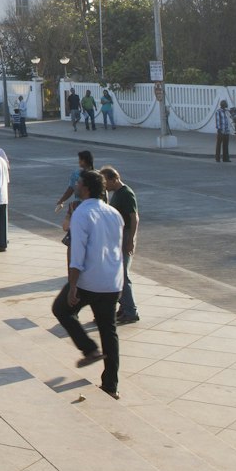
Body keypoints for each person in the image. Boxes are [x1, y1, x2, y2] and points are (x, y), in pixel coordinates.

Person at [52, 169, 124, 399]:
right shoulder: (113, 213)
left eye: (79, 183)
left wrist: (73, 286)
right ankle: (110, 385)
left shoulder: (83, 213)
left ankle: (90, 349)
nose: (75, 186)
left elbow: (77, 252)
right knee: (108, 330)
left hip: (88, 280)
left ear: (86, 188)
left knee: (62, 309)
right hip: (112, 281)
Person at [101, 165, 140, 324]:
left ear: (114, 179)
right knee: (117, 274)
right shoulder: (116, 194)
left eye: (106, 183)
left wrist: (130, 240)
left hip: (126, 236)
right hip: (119, 237)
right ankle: (123, 308)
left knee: (123, 275)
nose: (105, 186)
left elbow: (134, 218)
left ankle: (131, 311)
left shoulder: (126, 193)